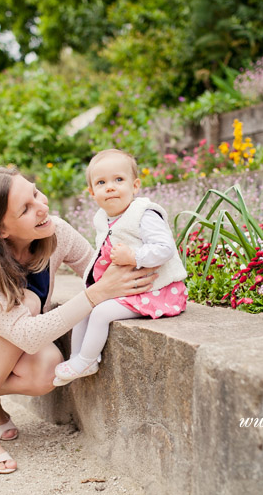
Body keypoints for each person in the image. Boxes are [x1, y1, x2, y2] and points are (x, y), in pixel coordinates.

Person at [0, 165, 157, 474]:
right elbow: (24, 333)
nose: (42, 207)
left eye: (36, 193)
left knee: (47, 370)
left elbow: (98, 274)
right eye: (26, 209)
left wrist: (153, 275)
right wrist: (97, 295)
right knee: (24, 300)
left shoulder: (56, 231)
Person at [53, 149, 187, 386]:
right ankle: (76, 360)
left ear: (135, 186)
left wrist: (134, 256)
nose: (111, 187)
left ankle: (87, 359)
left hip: (155, 290)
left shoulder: (143, 214)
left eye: (118, 180)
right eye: (102, 182)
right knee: (83, 306)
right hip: (128, 289)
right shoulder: (102, 218)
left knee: (101, 313)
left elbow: (165, 248)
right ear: (92, 193)